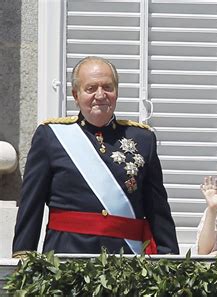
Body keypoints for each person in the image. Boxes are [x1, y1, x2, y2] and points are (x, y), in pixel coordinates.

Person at [12, 56, 179, 256]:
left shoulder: (143, 139)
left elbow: (158, 210)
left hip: (127, 260)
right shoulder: (51, 137)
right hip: (66, 258)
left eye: (107, 87)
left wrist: (169, 259)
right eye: (91, 88)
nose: (100, 95)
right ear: (76, 95)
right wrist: (23, 254)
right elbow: (32, 204)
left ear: (116, 92)